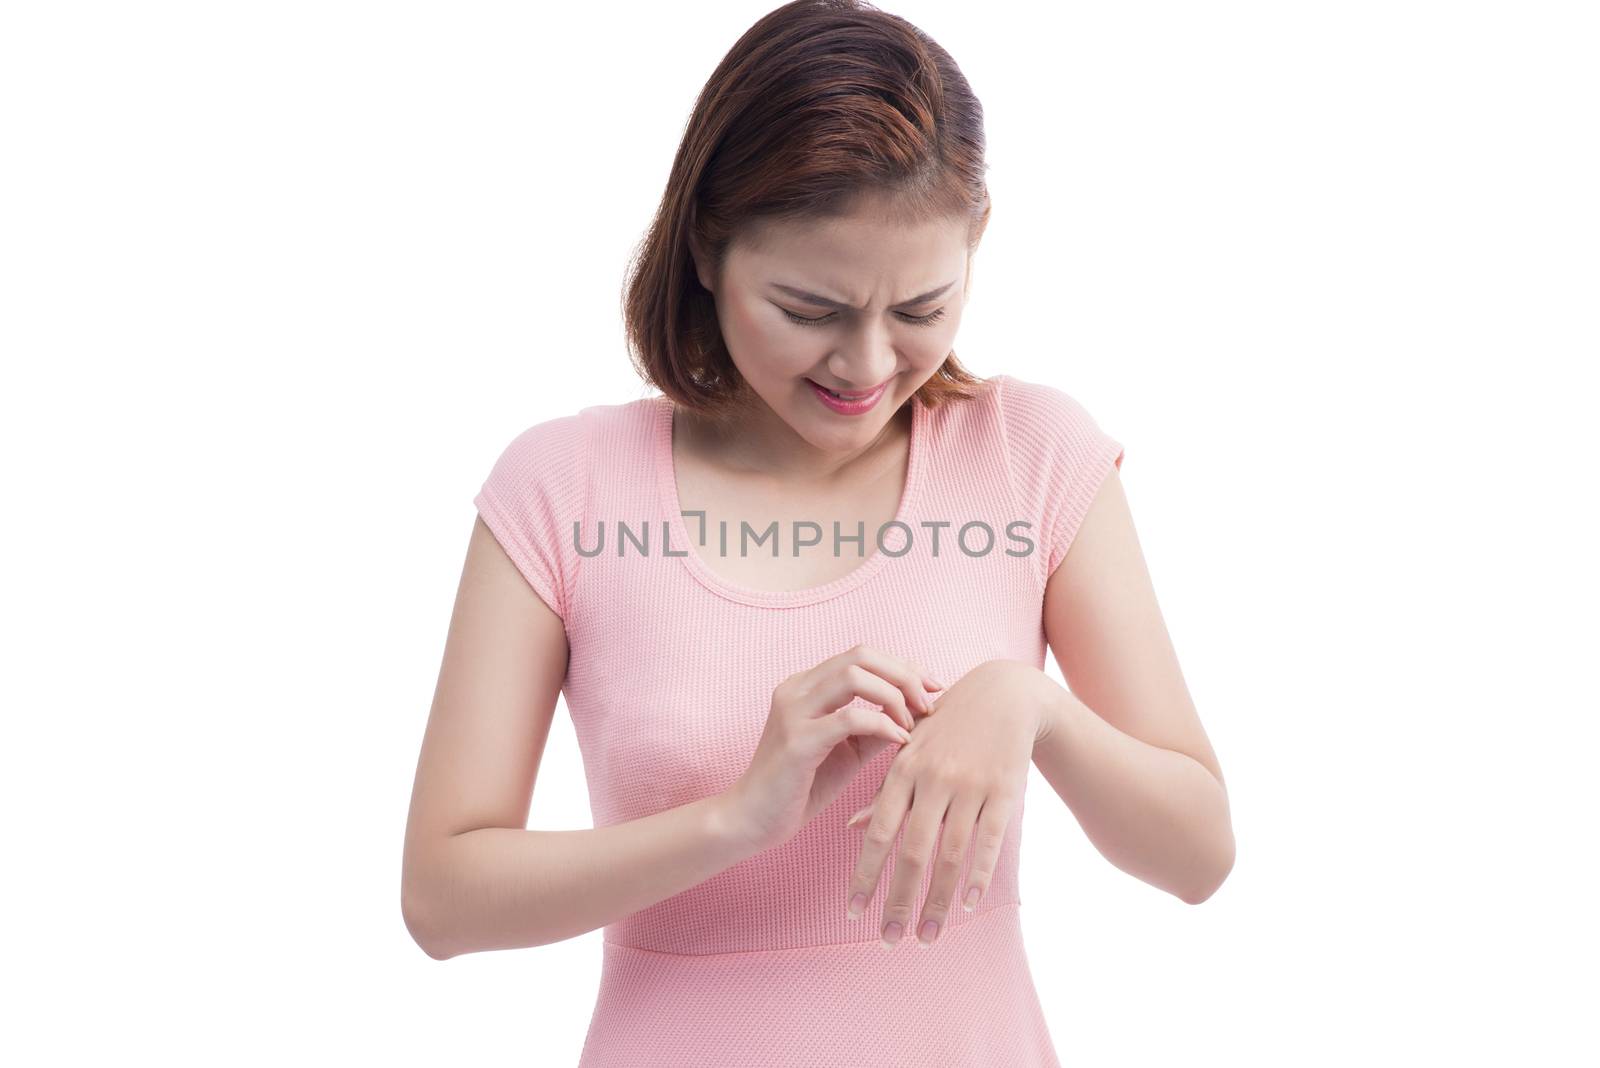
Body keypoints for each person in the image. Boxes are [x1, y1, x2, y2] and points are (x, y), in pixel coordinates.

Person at [401, 2, 1234, 1064]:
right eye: (810, 310)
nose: (867, 366)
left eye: (922, 309)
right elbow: (442, 899)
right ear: (705, 248)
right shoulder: (563, 488)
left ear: (974, 245)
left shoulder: (1031, 455)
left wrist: (1031, 707)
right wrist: (738, 819)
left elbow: (1198, 854)